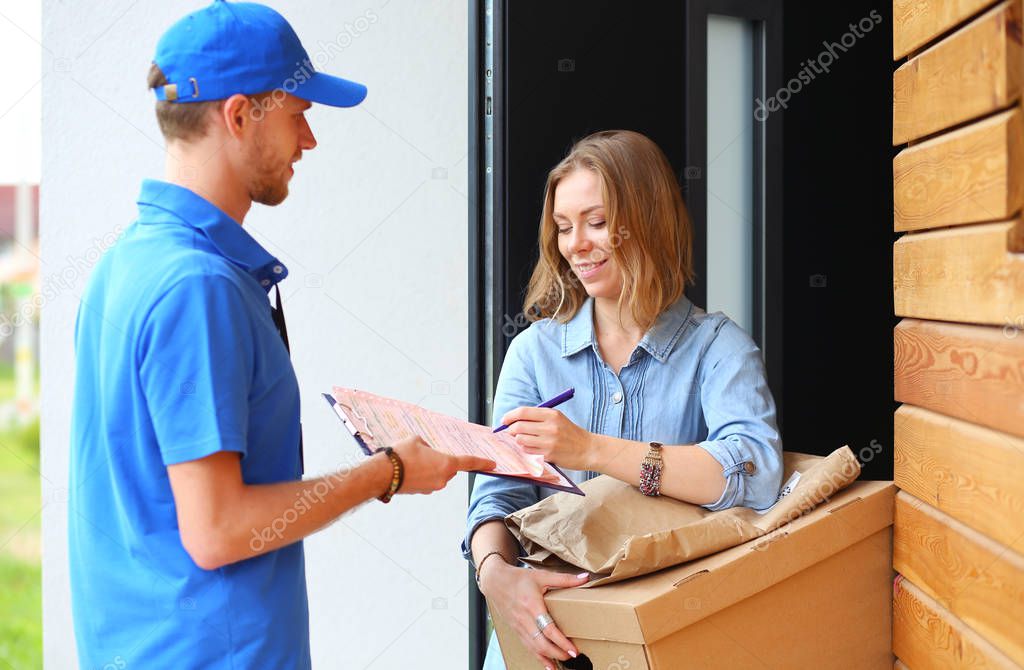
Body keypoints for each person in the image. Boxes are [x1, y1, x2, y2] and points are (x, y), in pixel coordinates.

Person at [68, 2, 494, 668]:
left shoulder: (124, 264)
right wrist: (392, 471)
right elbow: (217, 530)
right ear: (238, 115)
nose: (309, 142)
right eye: (299, 115)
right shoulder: (196, 287)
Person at [464, 130, 783, 669]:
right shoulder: (533, 352)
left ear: (648, 219)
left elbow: (756, 474)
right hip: (543, 632)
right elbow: (498, 495)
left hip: (666, 637)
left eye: (596, 222)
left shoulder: (717, 348)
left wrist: (592, 450)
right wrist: (496, 577)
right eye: (564, 228)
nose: (575, 245)